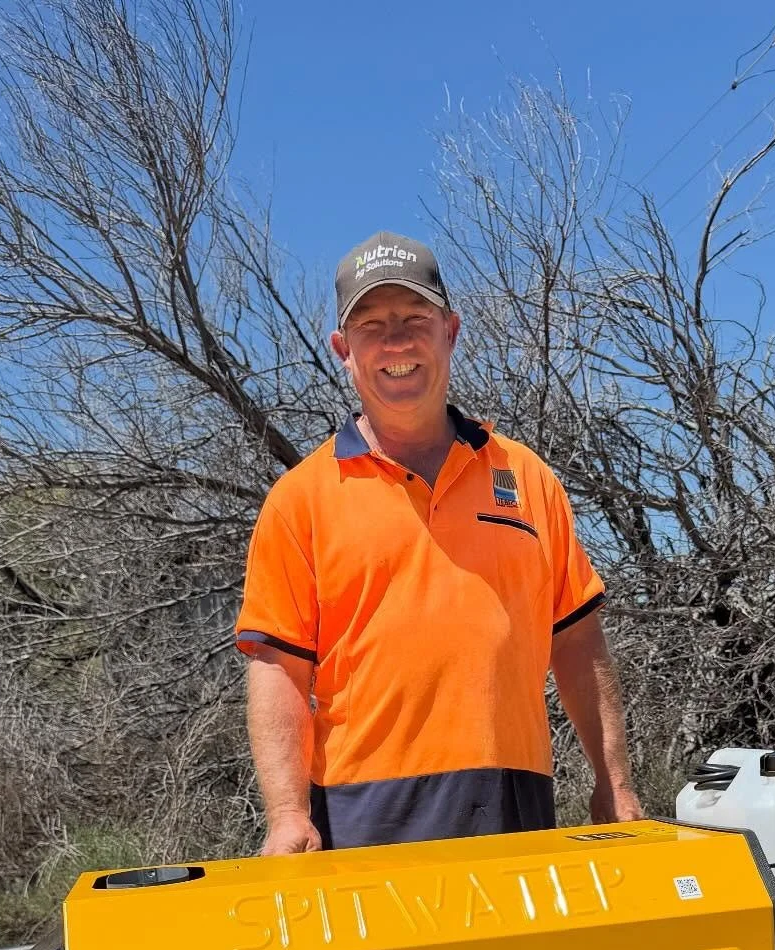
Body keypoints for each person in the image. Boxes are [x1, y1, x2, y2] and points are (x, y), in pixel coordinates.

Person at [235, 230, 644, 854]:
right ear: (344, 350)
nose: (396, 341)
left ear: (449, 331)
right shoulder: (299, 499)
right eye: (371, 324)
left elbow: (578, 640)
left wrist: (613, 782)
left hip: (517, 803)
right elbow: (279, 669)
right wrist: (288, 816)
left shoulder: (528, 478)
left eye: (413, 317)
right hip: (362, 816)